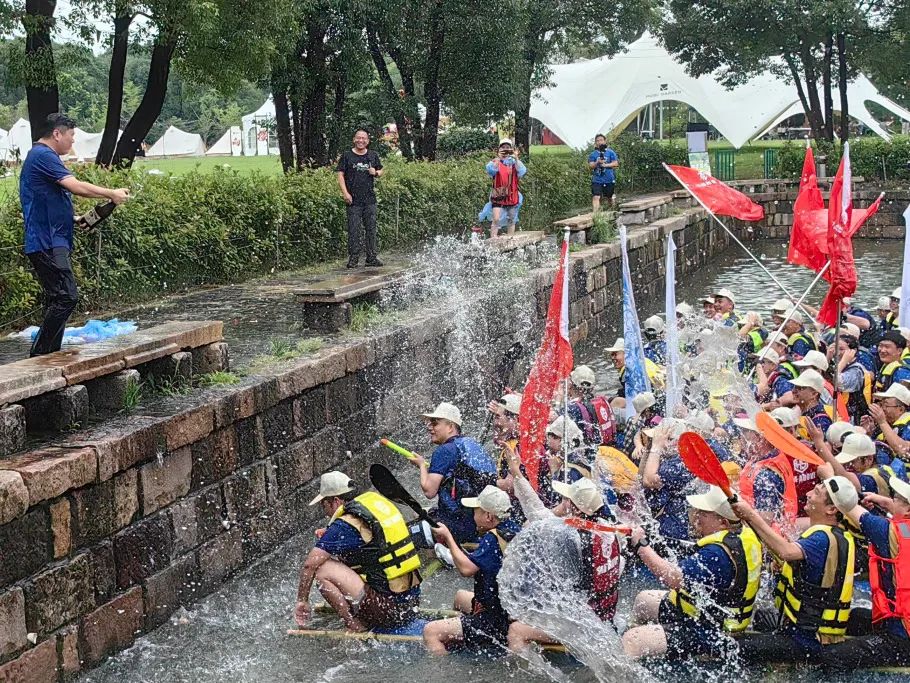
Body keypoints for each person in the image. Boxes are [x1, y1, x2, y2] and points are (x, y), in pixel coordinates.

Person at [20, 113, 130, 356]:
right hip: (47, 241)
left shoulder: (42, 156)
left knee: (58, 298)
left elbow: (42, 200)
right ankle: (39, 355)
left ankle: (49, 354)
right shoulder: (43, 155)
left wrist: (74, 218)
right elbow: (76, 186)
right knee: (66, 297)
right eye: (71, 136)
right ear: (57, 134)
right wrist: (111, 193)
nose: (72, 142)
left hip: (49, 238)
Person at [622, 486, 763, 660]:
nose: (696, 516)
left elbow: (672, 578)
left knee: (632, 640)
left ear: (723, 523)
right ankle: (650, 647)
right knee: (643, 600)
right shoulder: (745, 533)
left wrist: (641, 546)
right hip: (709, 612)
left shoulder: (715, 554)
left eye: (703, 513)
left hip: (713, 630)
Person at [732, 477, 857, 664]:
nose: (808, 494)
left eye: (816, 493)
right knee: (761, 617)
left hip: (806, 640)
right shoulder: (835, 534)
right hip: (803, 630)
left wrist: (750, 515)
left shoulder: (821, 538)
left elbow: (786, 551)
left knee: (731, 646)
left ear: (831, 510)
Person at [505, 468, 623, 652]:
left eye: (567, 500)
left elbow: (537, 515)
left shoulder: (571, 537)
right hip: (606, 617)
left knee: (516, 630)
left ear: (575, 507)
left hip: (585, 626)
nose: (564, 503)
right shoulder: (610, 530)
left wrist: (517, 474)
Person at [294, 471, 421, 631]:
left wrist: (302, 600)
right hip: (410, 604)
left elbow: (309, 565)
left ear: (335, 501)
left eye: (323, 505)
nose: (324, 511)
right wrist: (331, 536)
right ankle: (370, 613)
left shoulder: (344, 525)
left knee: (321, 569)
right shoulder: (373, 504)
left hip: (388, 611)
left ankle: (354, 624)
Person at [819, 465, 910, 672]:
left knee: (832, 656)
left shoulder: (886, 532)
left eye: (897, 499)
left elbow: (846, 503)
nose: (892, 501)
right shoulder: (900, 529)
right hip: (902, 624)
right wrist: (887, 503)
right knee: (854, 617)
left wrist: (829, 478)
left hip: (902, 638)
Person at [422, 486, 521, 654]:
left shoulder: (492, 539)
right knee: (460, 597)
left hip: (494, 619)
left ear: (488, 516)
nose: (473, 515)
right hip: (510, 609)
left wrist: (448, 537)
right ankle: (463, 637)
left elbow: (466, 569)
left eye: (476, 511)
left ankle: (443, 668)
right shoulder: (514, 529)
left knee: (430, 631)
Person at [409, 402, 497, 543]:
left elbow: (429, 491)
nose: (430, 428)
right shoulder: (471, 445)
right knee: (427, 512)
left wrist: (421, 466)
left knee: (408, 535)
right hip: (478, 522)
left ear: (450, 427)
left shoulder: (444, 451)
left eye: (435, 423)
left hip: (457, 526)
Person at [336, 129, 384, 268]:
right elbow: (340, 174)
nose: (361, 140)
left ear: (367, 141)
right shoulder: (347, 156)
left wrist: (376, 173)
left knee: (371, 229)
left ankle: (371, 257)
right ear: (354, 139)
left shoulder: (372, 155)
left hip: (369, 199)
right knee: (354, 229)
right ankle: (353, 258)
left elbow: (381, 170)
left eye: (364, 138)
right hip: (353, 200)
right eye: (358, 138)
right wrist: (345, 193)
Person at [564, 365, 616, 447]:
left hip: (588, 452)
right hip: (607, 446)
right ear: (592, 388)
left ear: (571, 384)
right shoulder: (602, 401)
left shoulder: (572, 408)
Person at [485, 139, 527, 237]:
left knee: (511, 219)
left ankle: (510, 239)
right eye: (503, 148)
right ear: (499, 150)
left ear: (511, 150)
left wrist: (516, 158)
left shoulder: (515, 163)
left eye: (508, 148)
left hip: (512, 195)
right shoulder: (494, 162)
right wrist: (499, 159)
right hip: (498, 194)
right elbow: (491, 171)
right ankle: (493, 240)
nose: (505, 150)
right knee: (495, 218)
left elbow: (522, 171)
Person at [790, 369, 834, 438]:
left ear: (814, 394)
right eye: (795, 387)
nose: (793, 391)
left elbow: (820, 448)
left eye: (800, 388)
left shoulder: (820, 420)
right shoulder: (806, 413)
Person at [588, 133, 618, 211]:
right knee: (596, 196)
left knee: (609, 197)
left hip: (609, 179)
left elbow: (615, 163)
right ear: (595, 143)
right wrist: (597, 162)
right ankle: (596, 215)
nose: (599, 142)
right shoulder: (593, 154)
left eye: (601, 140)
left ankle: (613, 212)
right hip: (597, 179)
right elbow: (590, 166)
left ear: (605, 141)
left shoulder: (610, 152)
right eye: (597, 141)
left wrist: (605, 165)